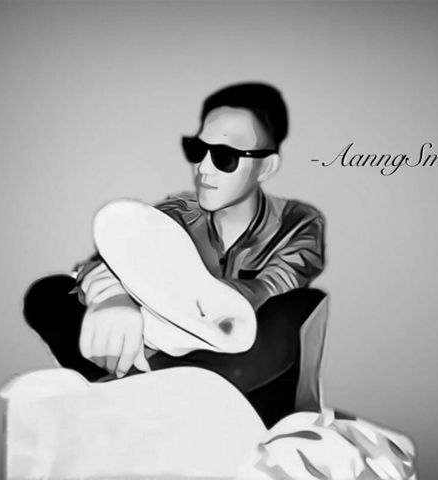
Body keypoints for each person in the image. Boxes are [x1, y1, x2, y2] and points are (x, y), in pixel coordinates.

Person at [24, 82, 326, 426]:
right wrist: (115, 297)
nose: (204, 168)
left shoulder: (298, 222)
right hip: (159, 357)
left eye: (224, 157)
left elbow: (263, 292)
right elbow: (106, 261)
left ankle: (137, 393)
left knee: (298, 307)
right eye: (197, 149)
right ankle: (141, 393)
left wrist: (160, 304)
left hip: (239, 368)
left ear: (266, 167)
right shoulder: (177, 211)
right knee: (49, 293)